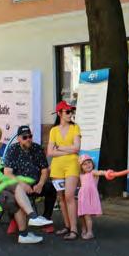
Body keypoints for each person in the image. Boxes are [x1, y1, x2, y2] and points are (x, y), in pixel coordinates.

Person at [3, 125, 55, 241]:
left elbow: (44, 169)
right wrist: (22, 184)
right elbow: (8, 173)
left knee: (51, 188)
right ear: (19, 138)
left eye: (30, 136)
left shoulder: (37, 148)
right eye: (25, 137)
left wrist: (41, 184)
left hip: (36, 182)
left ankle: (45, 218)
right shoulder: (12, 149)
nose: (28, 139)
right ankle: (14, 220)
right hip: (19, 182)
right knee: (12, 192)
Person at [47, 101, 81, 240]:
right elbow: (50, 152)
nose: (70, 114)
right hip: (57, 167)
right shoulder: (54, 130)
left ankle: (74, 229)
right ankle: (67, 226)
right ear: (59, 113)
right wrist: (68, 150)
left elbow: (77, 148)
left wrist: (59, 148)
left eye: (71, 111)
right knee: (61, 198)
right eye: (67, 111)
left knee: (69, 196)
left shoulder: (75, 127)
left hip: (72, 165)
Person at [77, 154, 105, 240]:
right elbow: (79, 185)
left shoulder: (93, 172)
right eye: (84, 164)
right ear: (81, 167)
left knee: (87, 215)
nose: (88, 165)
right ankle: (84, 228)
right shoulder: (81, 176)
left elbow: (100, 172)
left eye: (89, 162)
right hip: (82, 197)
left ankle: (90, 232)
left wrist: (106, 172)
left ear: (92, 164)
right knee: (81, 215)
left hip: (90, 197)